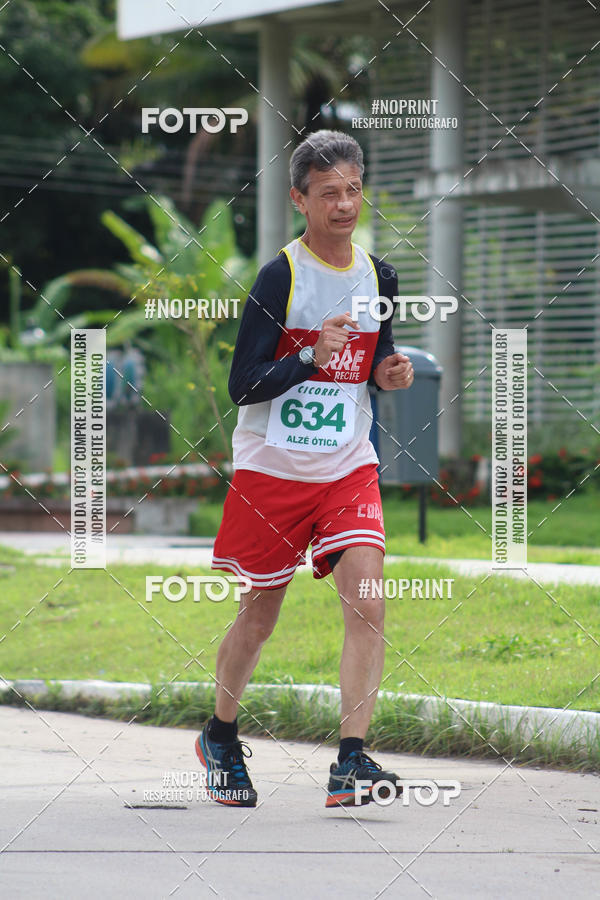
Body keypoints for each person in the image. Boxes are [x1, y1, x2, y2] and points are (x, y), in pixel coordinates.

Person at [195, 129, 414, 808]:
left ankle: (350, 762)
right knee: (260, 616)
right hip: (273, 473)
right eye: (329, 194)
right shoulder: (280, 277)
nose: (344, 204)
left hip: (348, 463)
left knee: (368, 604)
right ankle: (220, 735)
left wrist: (388, 371)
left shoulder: (379, 277)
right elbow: (243, 385)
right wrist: (308, 357)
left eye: (352, 189)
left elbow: (373, 365)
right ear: (300, 199)